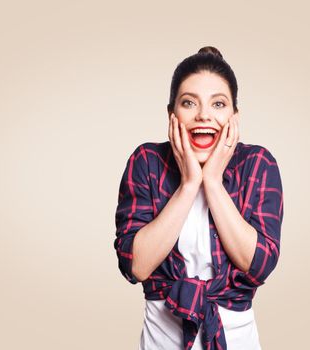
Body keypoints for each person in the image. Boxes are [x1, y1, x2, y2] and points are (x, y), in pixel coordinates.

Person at [114, 46, 284, 350]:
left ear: (234, 116)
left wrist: (214, 183)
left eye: (218, 104)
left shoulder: (258, 163)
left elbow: (258, 265)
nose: (204, 115)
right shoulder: (147, 161)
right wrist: (190, 184)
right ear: (171, 114)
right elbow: (135, 265)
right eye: (189, 103)